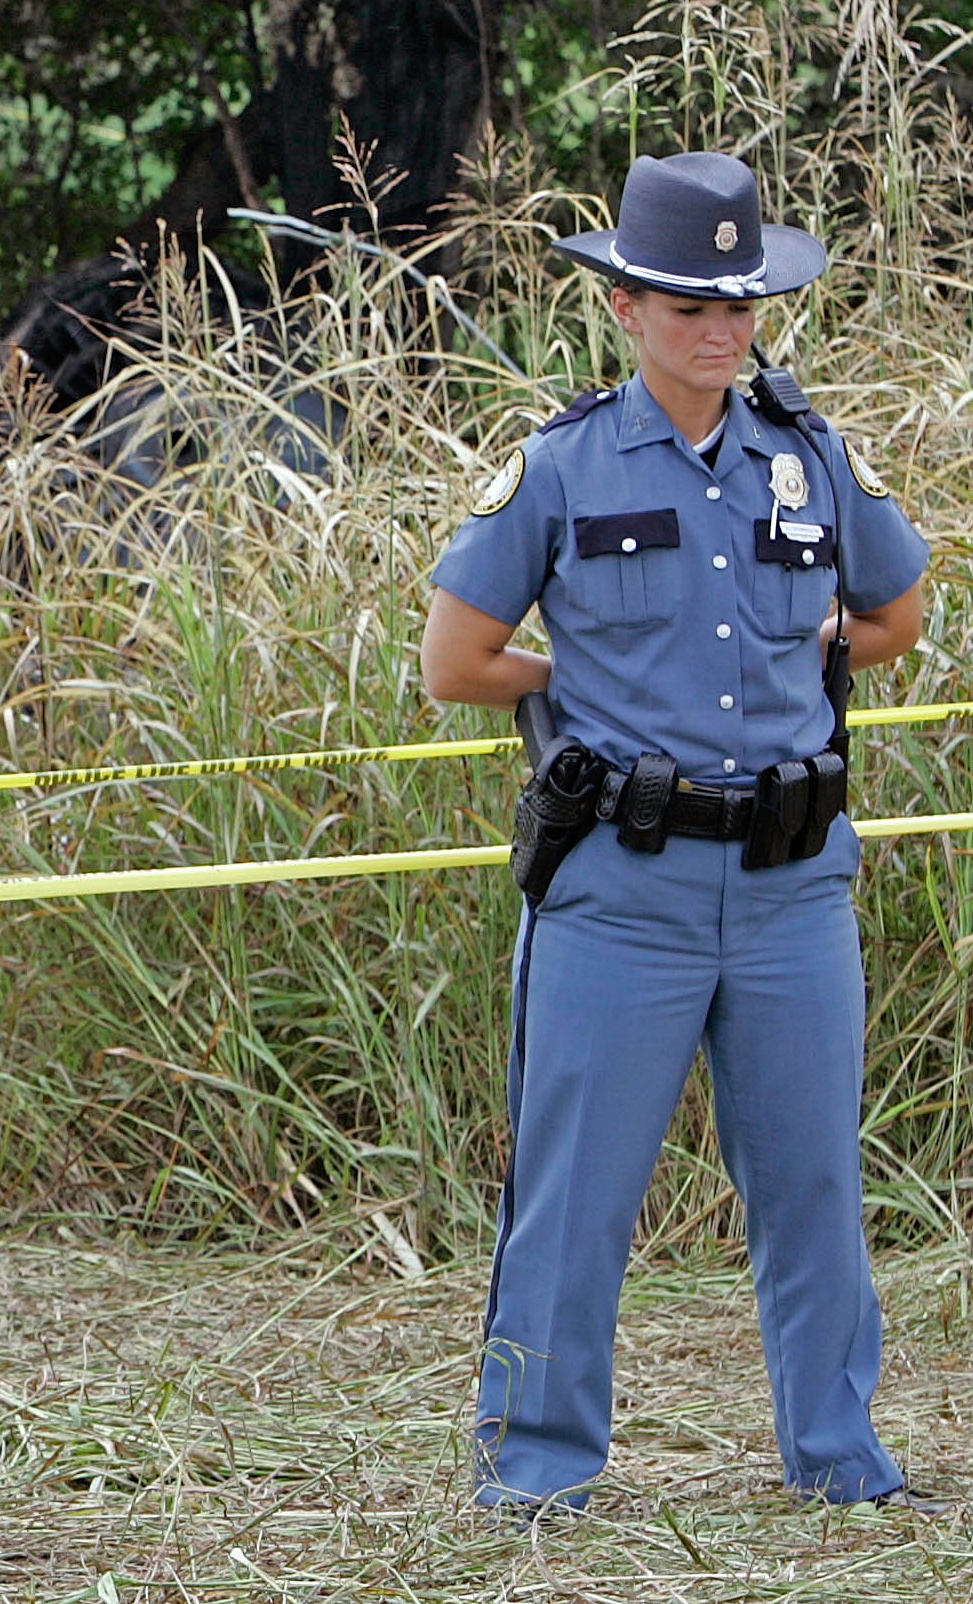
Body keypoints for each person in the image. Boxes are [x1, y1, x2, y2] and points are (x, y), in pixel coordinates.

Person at [419, 151, 932, 1514]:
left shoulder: (809, 455)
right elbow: (457, 657)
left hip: (789, 890)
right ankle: (535, 1476)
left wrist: (826, 645)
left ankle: (839, 1464)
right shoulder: (561, 463)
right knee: (573, 1196)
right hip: (619, 891)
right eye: (683, 303)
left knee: (814, 1193)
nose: (716, 329)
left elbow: (894, 610)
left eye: (737, 305)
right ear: (624, 309)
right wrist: (567, 690)